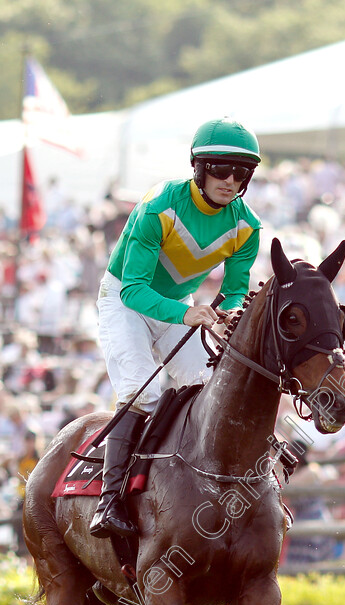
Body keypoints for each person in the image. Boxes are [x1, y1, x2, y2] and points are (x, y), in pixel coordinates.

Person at [91, 117, 262, 538]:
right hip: (126, 301)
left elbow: (236, 291)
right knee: (142, 390)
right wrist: (190, 314)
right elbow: (133, 291)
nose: (229, 180)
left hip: (180, 306)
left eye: (240, 172)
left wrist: (230, 313)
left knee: (208, 389)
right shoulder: (159, 206)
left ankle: (201, 489)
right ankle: (109, 500)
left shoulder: (248, 226)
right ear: (198, 168)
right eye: (220, 168)